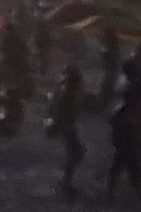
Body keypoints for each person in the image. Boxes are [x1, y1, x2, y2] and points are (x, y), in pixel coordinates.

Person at [49, 64, 85, 197]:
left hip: (68, 126)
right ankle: (65, 183)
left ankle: (66, 181)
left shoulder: (65, 89)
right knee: (75, 154)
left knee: (76, 154)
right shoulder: (67, 92)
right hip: (67, 127)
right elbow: (60, 110)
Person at [106, 90, 141, 201]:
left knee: (131, 168)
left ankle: (138, 191)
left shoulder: (127, 111)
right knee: (129, 167)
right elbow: (115, 123)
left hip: (129, 144)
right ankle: (111, 191)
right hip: (125, 145)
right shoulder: (123, 112)